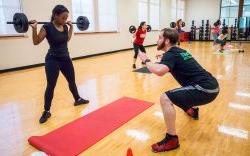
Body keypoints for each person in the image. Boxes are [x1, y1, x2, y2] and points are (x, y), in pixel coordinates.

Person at [138, 28, 219, 153]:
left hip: (204, 89)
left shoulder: (171, 54)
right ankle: (191, 110)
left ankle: (172, 139)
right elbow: (170, 62)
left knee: (165, 97)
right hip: (211, 85)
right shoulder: (179, 51)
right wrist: (163, 58)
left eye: (160, 37)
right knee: (178, 93)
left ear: (167, 41)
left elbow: (159, 71)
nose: (157, 40)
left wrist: (146, 60)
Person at [30, 5, 89, 124]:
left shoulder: (65, 27)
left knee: (72, 81)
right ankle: (46, 111)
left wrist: (71, 28)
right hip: (52, 60)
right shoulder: (47, 27)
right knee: (51, 85)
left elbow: (66, 39)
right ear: (55, 15)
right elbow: (36, 42)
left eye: (66, 17)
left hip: (65, 59)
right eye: (63, 17)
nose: (65, 20)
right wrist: (34, 28)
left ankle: (77, 99)